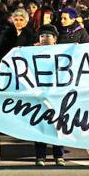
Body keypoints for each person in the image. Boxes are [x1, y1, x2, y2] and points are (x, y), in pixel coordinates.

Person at [32, 24, 66, 167]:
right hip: (39, 94)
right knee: (40, 125)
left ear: (55, 39)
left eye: (48, 36)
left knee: (57, 126)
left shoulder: (63, 53)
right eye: (42, 36)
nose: (45, 39)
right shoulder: (31, 53)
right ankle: (40, 156)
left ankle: (59, 156)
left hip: (56, 94)